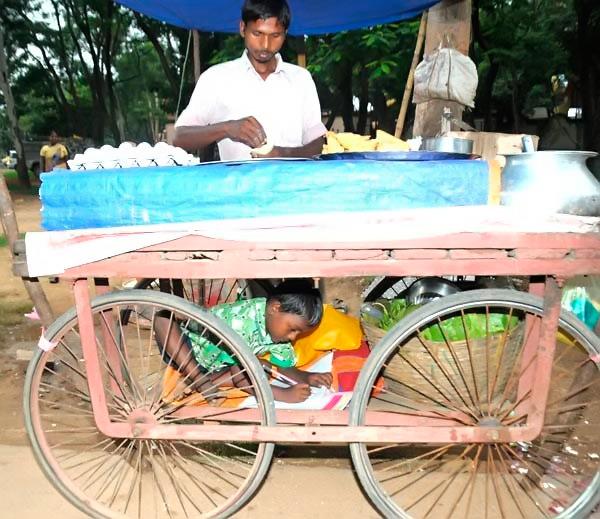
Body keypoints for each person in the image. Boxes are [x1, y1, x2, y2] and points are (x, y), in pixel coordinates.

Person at [173, 0, 326, 161]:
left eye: (275, 35)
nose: (265, 45)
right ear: (242, 28)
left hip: (294, 185)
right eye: (257, 34)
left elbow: (317, 144)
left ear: (285, 33)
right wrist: (227, 128)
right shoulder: (216, 79)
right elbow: (179, 137)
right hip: (237, 185)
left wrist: (281, 154)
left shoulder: (301, 79)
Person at [152, 280, 333, 403]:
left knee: (263, 369)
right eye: (293, 329)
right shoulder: (242, 322)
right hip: (188, 348)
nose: (293, 337)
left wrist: (307, 377)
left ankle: (193, 381)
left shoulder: (279, 329)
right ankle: (198, 379)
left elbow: (282, 366)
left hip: (219, 362)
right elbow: (241, 381)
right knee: (162, 319)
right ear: (275, 308)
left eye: (298, 333)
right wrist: (284, 395)